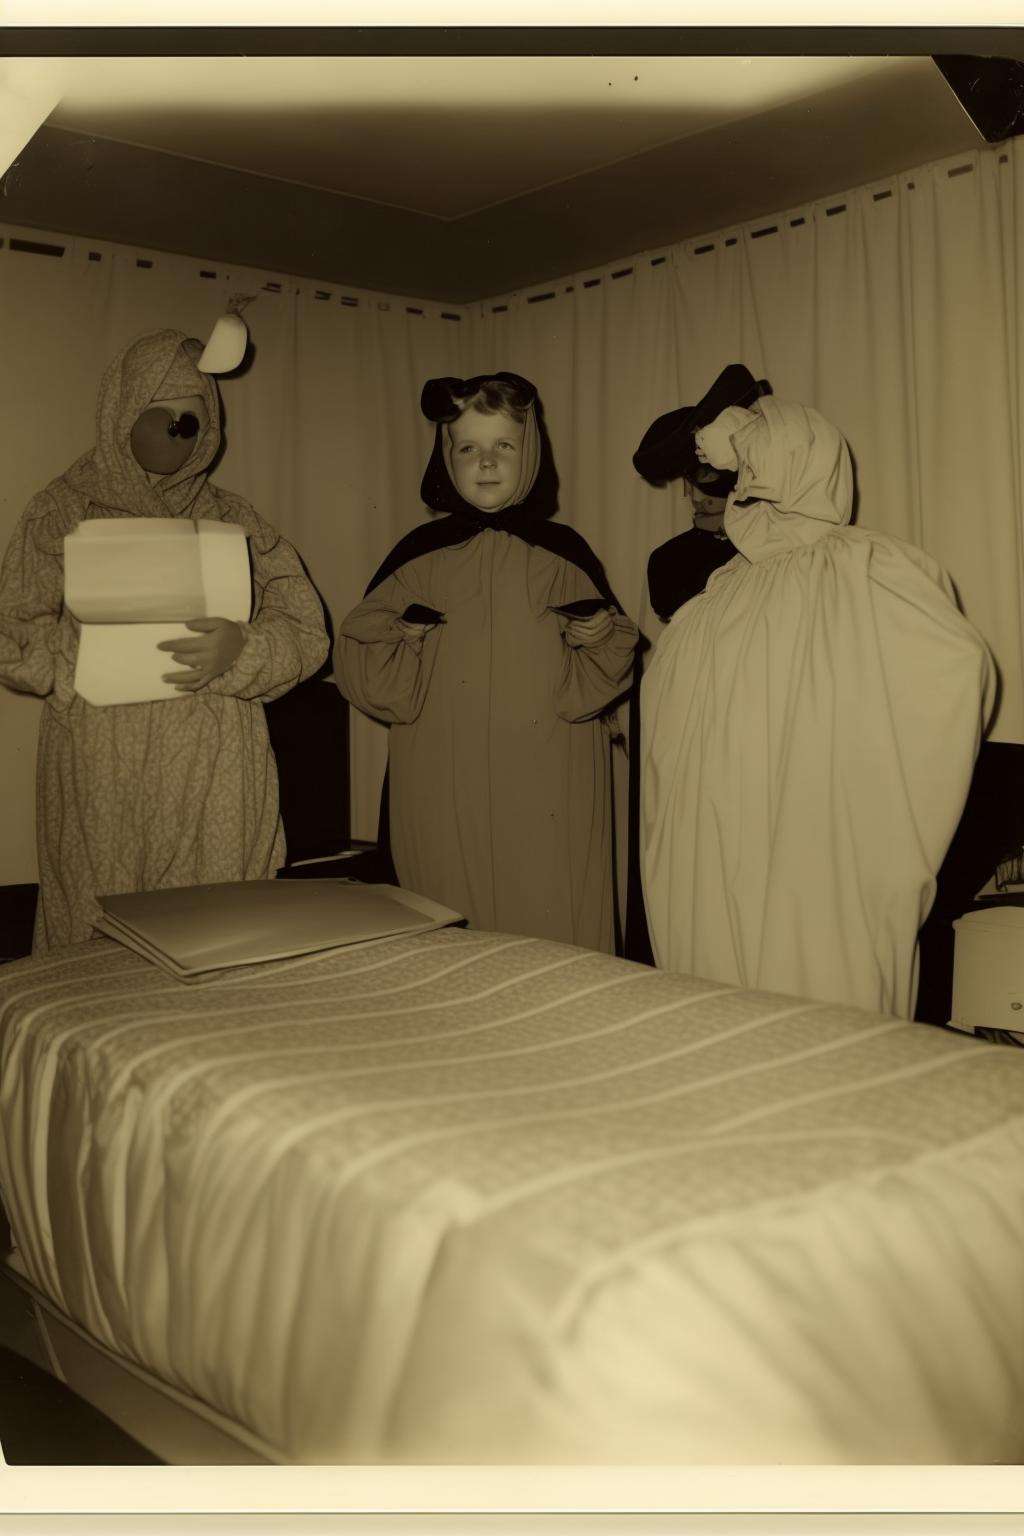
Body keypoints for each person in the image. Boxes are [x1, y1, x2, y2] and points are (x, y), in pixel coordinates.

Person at [639, 384, 994, 1019]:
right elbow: (672, 737)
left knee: (823, 998)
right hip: (720, 839)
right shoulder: (716, 596)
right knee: (723, 1005)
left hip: (819, 835)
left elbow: (954, 673)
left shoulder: (867, 567)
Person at [0, 327, 329, 953]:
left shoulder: (235, 520)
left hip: (216, 763)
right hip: (102, 760)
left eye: (193, 419)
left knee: (217, 924)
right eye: (164, 415)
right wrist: (78, 662)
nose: (181, 433)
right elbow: (12, 625)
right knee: (96, 924)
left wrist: (245, 650)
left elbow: (305, 628)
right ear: (122, 412)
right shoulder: (64, 509)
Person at [334, 371, 639, 953]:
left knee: (554, 923)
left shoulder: (564, 555)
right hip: (442, 783)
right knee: (451, 924)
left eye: (505, 445)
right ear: (445, 459)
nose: (487, 462)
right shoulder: (416, 559)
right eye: (468, 447)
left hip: (549, 783)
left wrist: (597, 634)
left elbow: (603, 674)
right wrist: (403, 635)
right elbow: (369, 670)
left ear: (532, 452)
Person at [634, 364, 771, 636]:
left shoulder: (771, 545)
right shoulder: (669, 561)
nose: (695, 497)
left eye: (706, 476)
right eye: (688, 479)